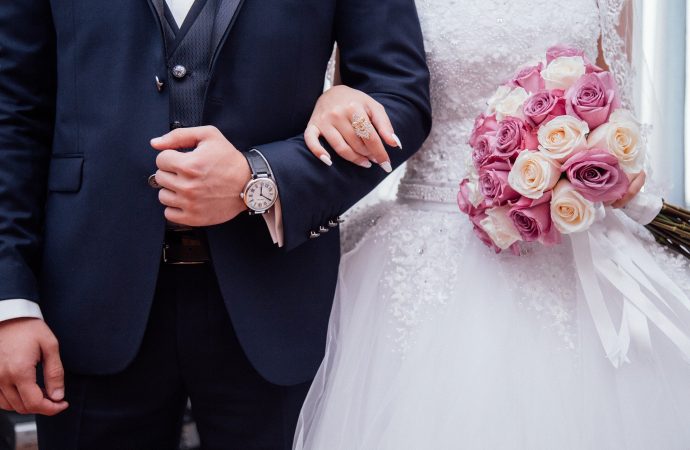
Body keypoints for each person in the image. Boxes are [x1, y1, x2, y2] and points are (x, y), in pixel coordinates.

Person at [0, 1, 430, 448]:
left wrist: (261, 178)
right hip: (88, 294)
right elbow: (13, 112)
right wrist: (8, 301)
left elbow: (400, 100)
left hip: (276, 297)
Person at [294, 1, 690, 449]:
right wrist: (332, 97)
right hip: (427, 246)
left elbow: (612, 94)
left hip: (571, 232)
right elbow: (359, 99)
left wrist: (609, 164)